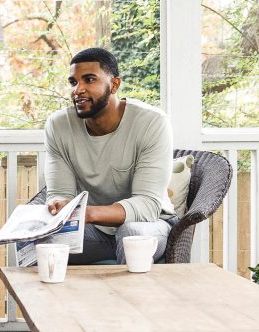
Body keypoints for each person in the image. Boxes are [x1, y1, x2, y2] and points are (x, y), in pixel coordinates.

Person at [43, 48, 175, 265]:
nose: (78, 90)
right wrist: (58, 205)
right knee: (40, 240)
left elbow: (148, 205)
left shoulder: (152, 122)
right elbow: (59, 194)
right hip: (95, 230)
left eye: (89, 80)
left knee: (130, 234)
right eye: (73, 82)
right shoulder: (58, 126)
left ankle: (129, 299)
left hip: (149, 223)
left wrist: (88, 212)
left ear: (114, 85)